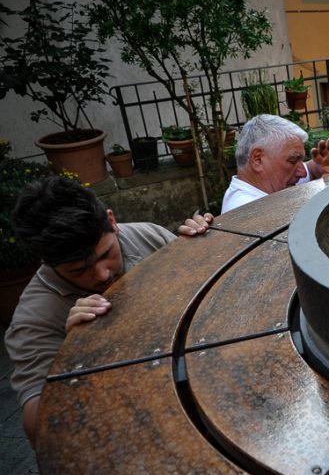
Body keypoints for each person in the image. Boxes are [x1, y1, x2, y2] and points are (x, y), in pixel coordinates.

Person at [4, 177, 212, 447]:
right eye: (78, 271)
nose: (102, 275)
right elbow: (38, 428)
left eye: (106, 255)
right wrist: (76, 355)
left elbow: (208, 308)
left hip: (201, 396)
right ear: (48, 262)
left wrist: (205, 253)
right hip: (130, 438)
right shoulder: (34, 319)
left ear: (112, 221)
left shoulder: (149, 237)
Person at [222, 114, 329, 213]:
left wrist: (325, 167)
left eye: (301, 160)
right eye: (293, 161)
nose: (302, 173)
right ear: (258, 159)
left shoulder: (270, 182)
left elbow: (311, 170)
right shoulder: (247, 211)